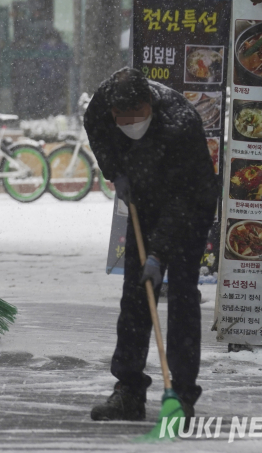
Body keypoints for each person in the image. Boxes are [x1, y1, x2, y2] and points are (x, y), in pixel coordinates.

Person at [84, 68, 218, 420]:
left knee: (182, 296)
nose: (129, 122)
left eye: (136, 116)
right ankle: (128, 392)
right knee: (136, 294)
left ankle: (183, 395)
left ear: (150, 106)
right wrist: (115, 171)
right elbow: (97, 132)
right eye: (122, 118)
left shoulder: (179, 123)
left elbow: (183, 200)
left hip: (191, 202)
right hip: (143, 195)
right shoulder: (102, 106)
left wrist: (158, 253)